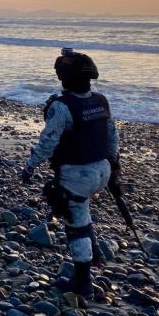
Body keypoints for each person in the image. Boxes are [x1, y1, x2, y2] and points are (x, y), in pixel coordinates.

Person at [20, 48, 119, 301]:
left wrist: (30, 166)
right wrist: (115, 167)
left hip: (77, 175)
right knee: (82, 211)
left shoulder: (62, 107)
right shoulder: (101, 101)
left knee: (76, 226)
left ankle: (83, 282)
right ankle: (95, 252)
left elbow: (47, 142)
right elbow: (112, 137)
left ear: (64, 78)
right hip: (102, 171)